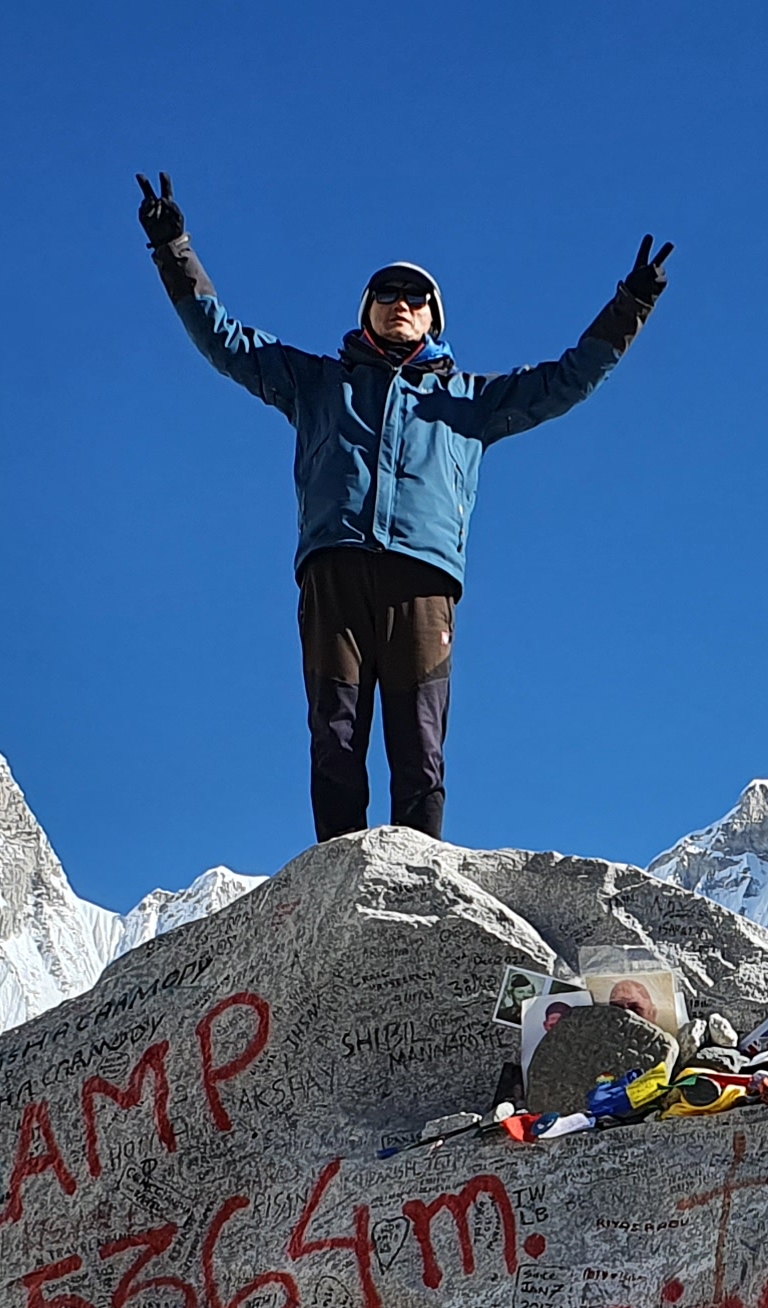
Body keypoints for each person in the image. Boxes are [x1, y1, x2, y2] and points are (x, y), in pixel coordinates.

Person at [135, 171, 671, 843]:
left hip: (423, 581)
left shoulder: (471, 401)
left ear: (432, 318)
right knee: (335, 738)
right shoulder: (317, 384)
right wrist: (172, 246)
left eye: (416, 297)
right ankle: (338, 871)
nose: (401, 304)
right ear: (366, 310)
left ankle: (419, 878)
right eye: (386, 294)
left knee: (419, 747)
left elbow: (568, 379)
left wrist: (631, 305)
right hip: (334, 572)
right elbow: (224, 340)